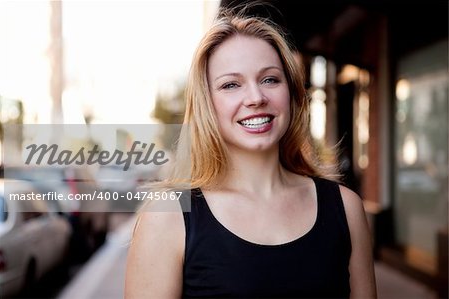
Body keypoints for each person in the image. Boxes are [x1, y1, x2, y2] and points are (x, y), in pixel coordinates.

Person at [125, 6, 377, 299]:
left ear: (292, 93)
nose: (256, 98)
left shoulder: (346, 209)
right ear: (207, 105)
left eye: (270, 79)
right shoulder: (167, 217)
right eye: (231, 85)